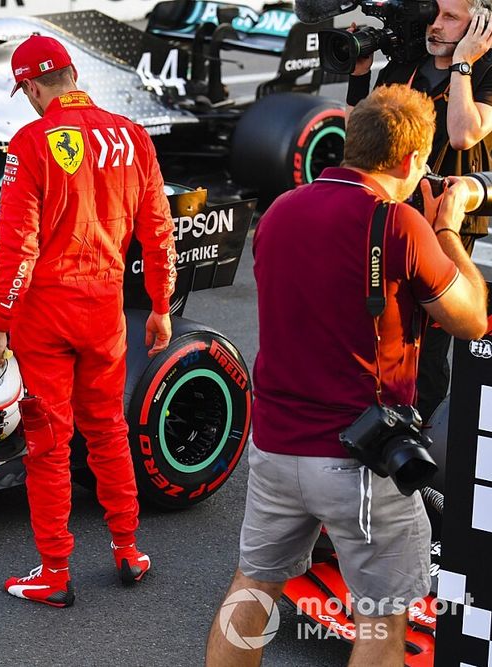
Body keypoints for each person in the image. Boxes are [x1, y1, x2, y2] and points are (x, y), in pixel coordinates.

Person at [205, 85, 487, 666]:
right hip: (361, 458)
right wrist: (449, 228)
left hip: (277, 447)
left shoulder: (282, 210)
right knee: (382, 623)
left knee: (250, 593)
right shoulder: (400, 225)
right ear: (410, 161)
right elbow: (472, 319)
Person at [0, 34, 178, 608]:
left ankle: (55, 571)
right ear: (72, 74)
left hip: (46, 316)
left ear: (36, 86)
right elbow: (158, 228)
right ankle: (128, 548)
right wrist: (161, 305)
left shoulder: (32, 141)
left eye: (27, 92)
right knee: (109, 430)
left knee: (48, 444)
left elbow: (18, 244)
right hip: (105, 311)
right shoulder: (132, 134)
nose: (30, 101)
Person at [347, 0, 492, 421]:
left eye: (450, 18)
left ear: (481, 23)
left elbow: (464, 134)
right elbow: (358, 143)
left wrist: (463, 65)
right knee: (379, 325)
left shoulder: (485, 69)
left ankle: (419, 439)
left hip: (447, 220)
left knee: (428, 347)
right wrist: (359, 79)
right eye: (434, 14)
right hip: (392, 211)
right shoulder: (408, 66)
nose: (435, 25)